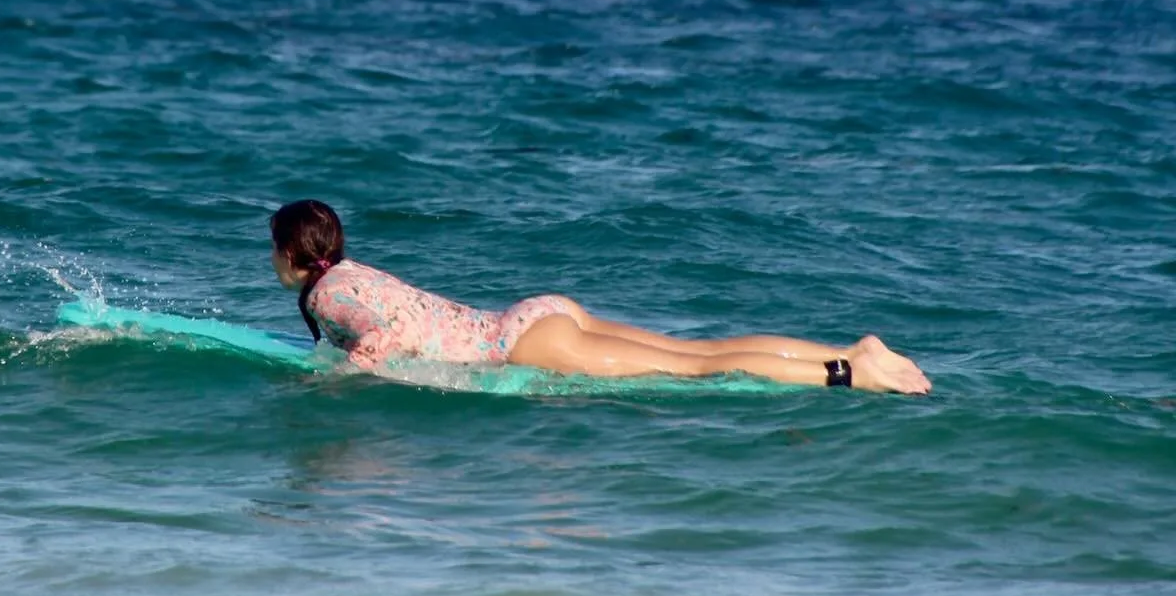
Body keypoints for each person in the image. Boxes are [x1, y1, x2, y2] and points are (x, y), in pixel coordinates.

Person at [269, 200, 931, 394]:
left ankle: (849, 375)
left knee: (697, 370)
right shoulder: (354, 270)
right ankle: (851, 351)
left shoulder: (326, 296)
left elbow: (384, 337)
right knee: (700, 351)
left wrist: (334, 380)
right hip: (538, 315)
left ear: (290, 254)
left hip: (520, 345)